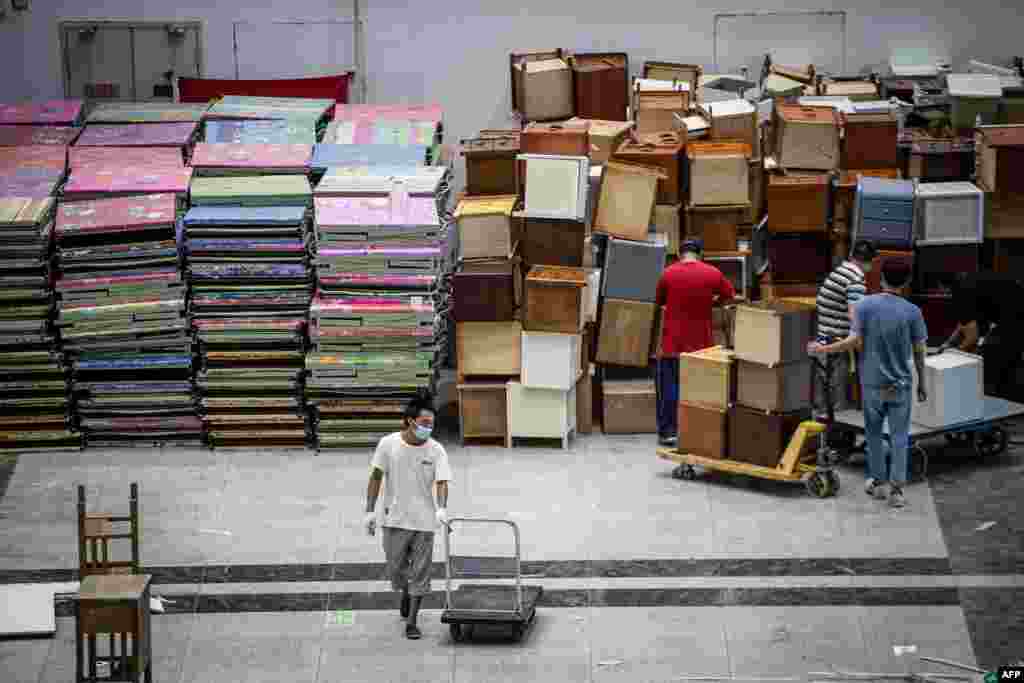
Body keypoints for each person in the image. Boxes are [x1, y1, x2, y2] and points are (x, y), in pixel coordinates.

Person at [808, 257, 927, 509]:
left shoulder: (864, 306)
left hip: (872, 384)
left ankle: (878, 484)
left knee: (873, 434)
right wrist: (922, 383)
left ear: (881, 278)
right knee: (898, 437)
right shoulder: (913, 312)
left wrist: (825, 348)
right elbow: (919, 351)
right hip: (901, 386)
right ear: (906, 282)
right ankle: (897, 491)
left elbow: (853, 341)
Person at [364, 392, 452, 639]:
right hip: (394, 520)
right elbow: (375, 477)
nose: (429, 428)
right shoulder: (388, 444)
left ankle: (412, 621)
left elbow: (442, 480)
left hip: (424, 523)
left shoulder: (437, 450)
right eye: (424, 423)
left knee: (421, 574)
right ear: (410, 421)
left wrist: (441, 507)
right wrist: (369, 511)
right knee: (395, 570)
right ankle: (405, 590)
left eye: (432, 424)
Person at [654, 239, 736, 447]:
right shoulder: (712, 273)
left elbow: (659, 301)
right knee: (701, 390)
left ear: (681, 254)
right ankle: (701, 431)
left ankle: (669, 432)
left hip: (672, 343)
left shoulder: (668, 273)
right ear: (699, 253)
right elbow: (729, 296)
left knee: (670, 388)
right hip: (702, 345)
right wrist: (711, 301)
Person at [813, 239, 878, 418]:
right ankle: (837, 433)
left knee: (823, 394)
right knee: (837, 398)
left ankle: (822, 435)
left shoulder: (839, 271)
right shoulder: (856, 279)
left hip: (824, 337)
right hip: (837, 342)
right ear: (868, 261)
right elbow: (855, 315)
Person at [939, 272, 1024, 402]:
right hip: (1012, 314)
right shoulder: (969, 281)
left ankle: (1005, 403)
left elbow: (972, 337)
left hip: (1015, 319)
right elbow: (965, 322)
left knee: (994, 358)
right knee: (1003, 355)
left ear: (944, 287)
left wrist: (954, 354)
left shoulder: (962, 292)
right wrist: (948, 343)